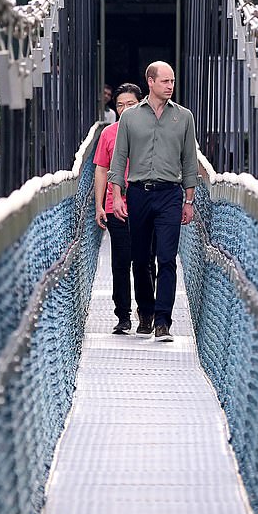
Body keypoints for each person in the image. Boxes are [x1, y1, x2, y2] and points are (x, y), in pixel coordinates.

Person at [109, 61, 198, 342]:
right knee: (140, 259)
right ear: (150, 81)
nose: (170, 86)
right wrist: (116, 195)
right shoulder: (130, 118)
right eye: (165, 81)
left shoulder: (184, 117)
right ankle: (145, 313)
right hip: (138, 193)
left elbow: (190, 160)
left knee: (167, 258)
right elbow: (119, 157)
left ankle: (163, 322)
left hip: (170, 194)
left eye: (172, 81)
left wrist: (190, 199)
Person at [94, 83, 142, 333]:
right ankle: (123, 315)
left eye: (130, 104)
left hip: (145, 204)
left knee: (145, 261)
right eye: (120, 105)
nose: (124, 109)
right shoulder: (108, 134)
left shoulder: (149, 131)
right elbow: (101, 170)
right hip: (115, 206)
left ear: (141, 104)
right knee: (121, 262)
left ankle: (146, 311)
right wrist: (99, 206)